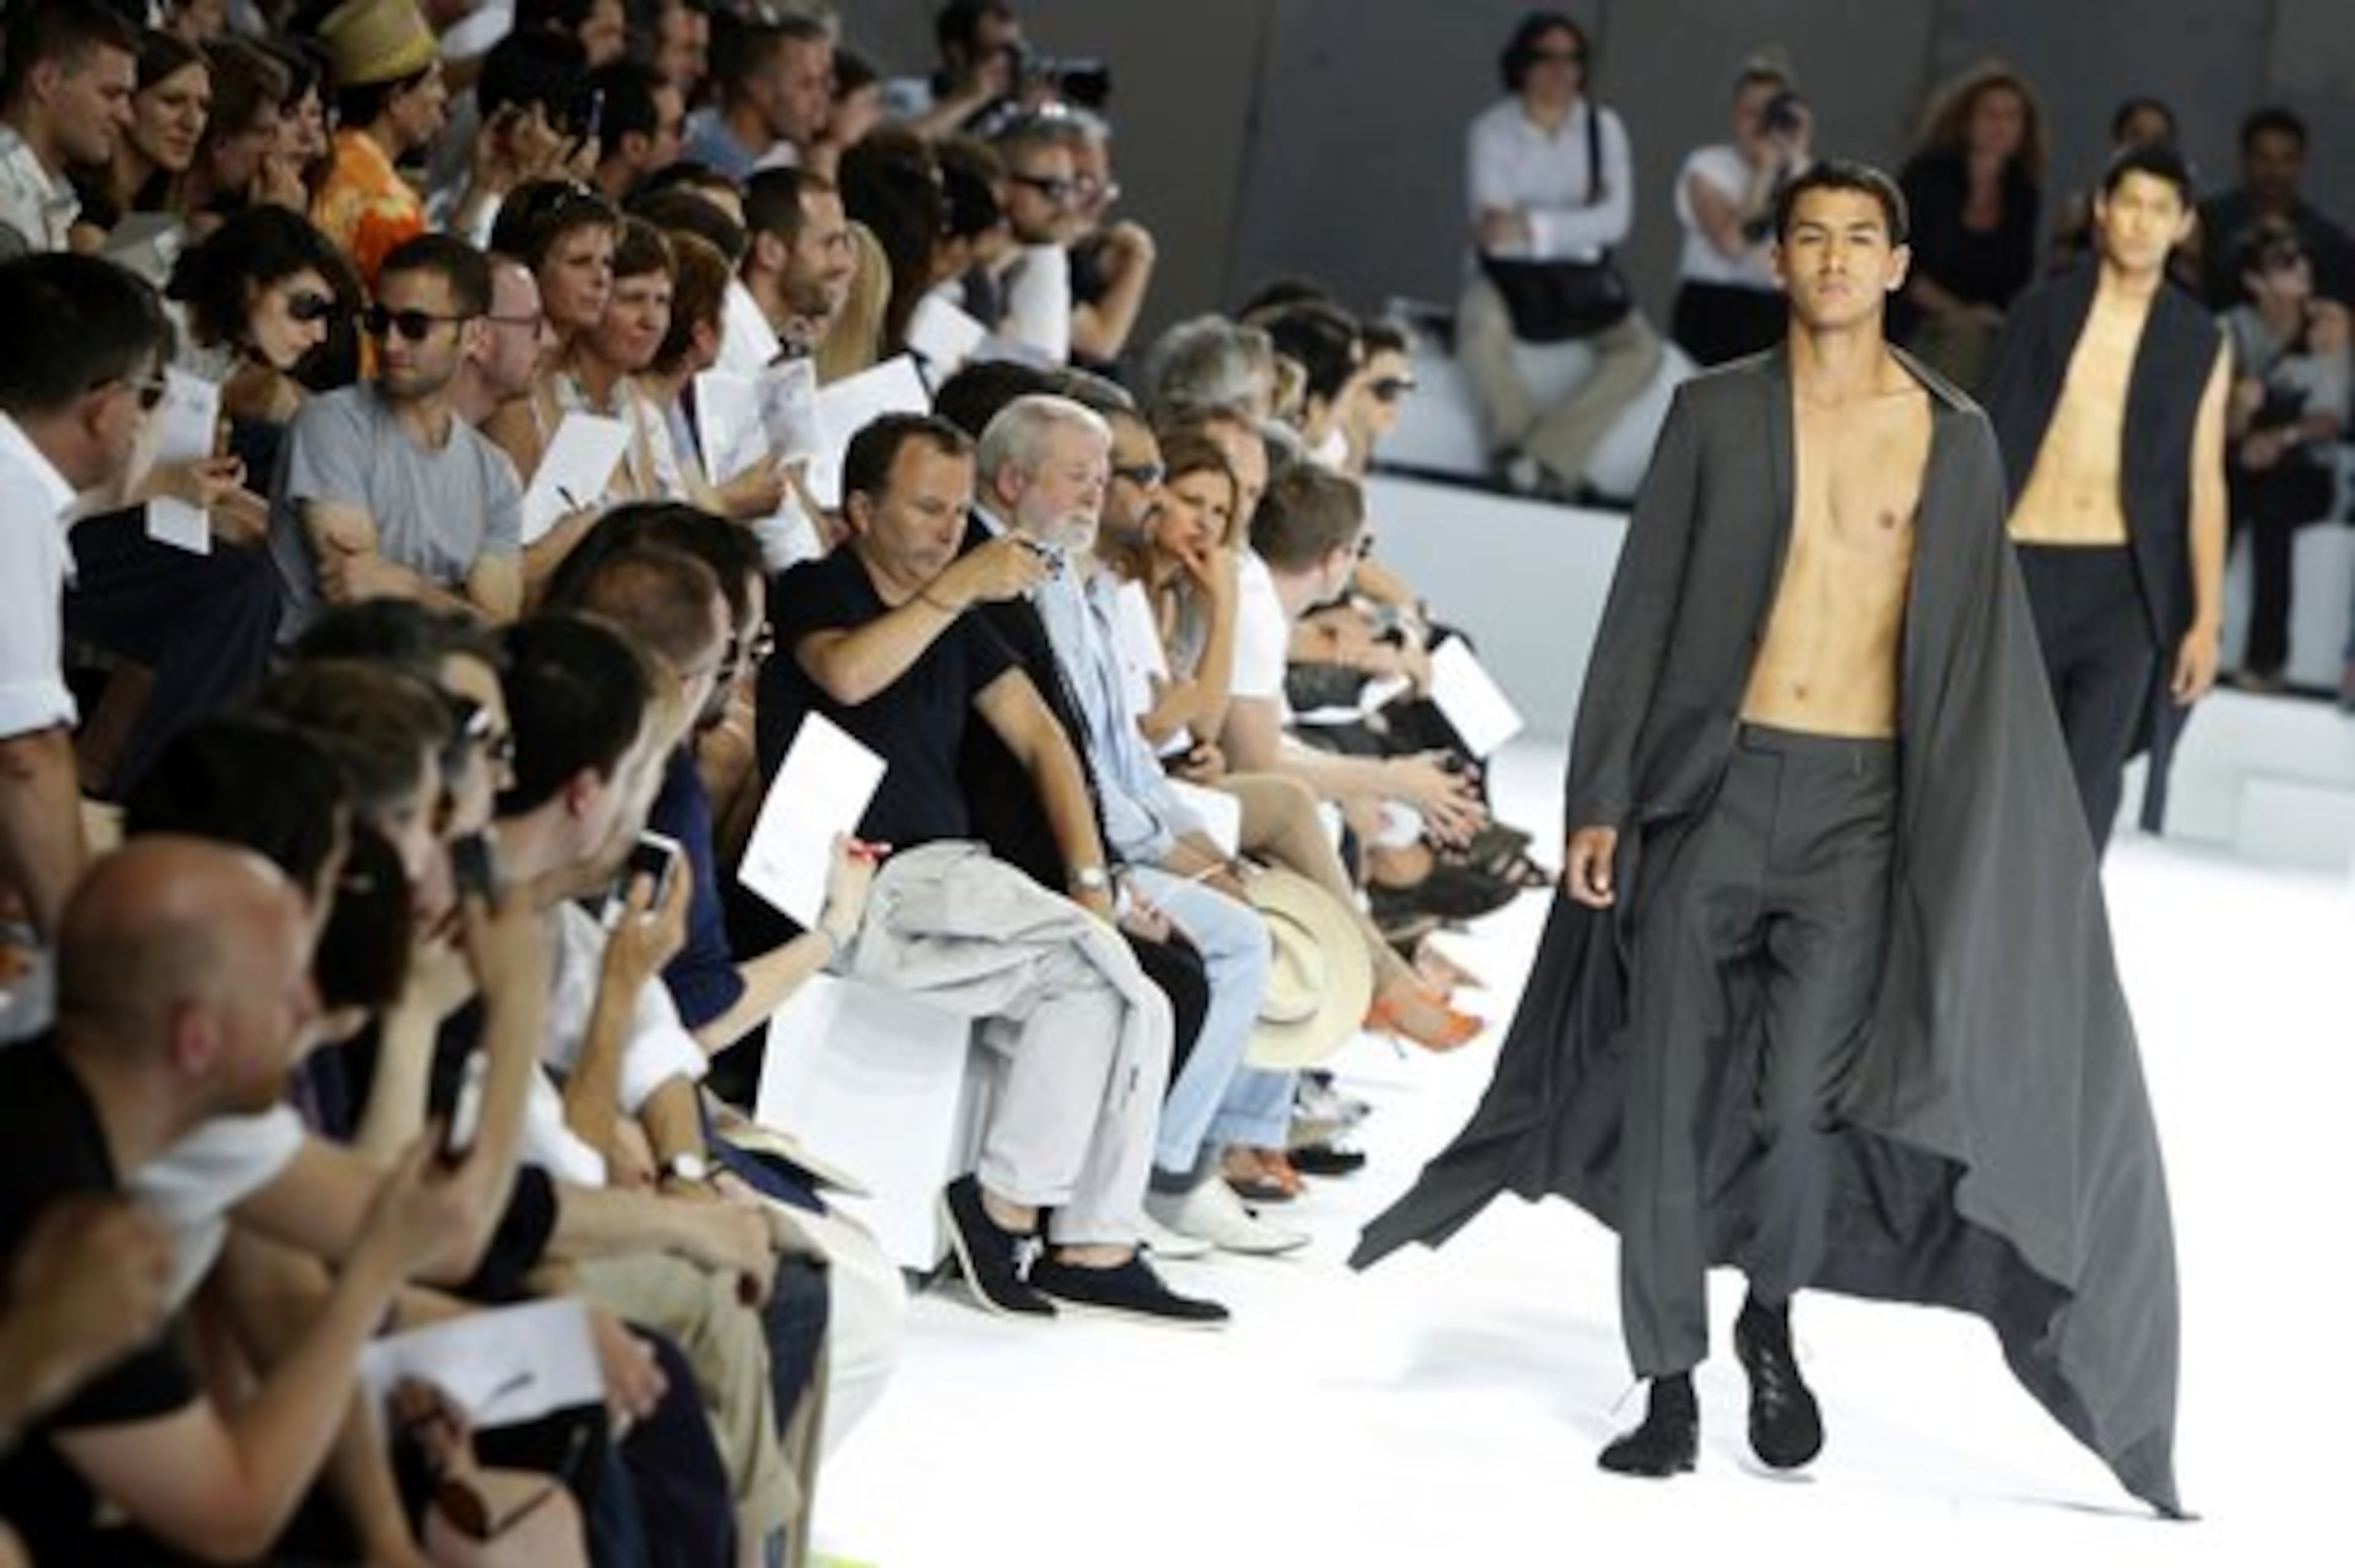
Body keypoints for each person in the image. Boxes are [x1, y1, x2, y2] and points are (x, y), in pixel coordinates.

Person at [1355, 162, 2185, 1520]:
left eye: (1863, 239)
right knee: (1678, 1084)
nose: (1838, 259)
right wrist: (1602, 799)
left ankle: (1772, 1311)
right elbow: (1647, 610)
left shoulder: (1952, 437)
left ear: (1900, 266)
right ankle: (1669, 1378)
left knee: (1801, 1104)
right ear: (1782, 262)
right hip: (1713, 790)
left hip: (1862, 808)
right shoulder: (1713, 415)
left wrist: (1969, 850)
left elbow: (1977, 658)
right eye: (1813, 238)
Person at [1983, 143, 2228, 853]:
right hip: (2022, 564)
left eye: (2161, 209)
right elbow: (1988, 432)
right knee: (1997, 770)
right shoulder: (2043, 310)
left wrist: (2206, 622)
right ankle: (1978, 947)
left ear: (2183, 224)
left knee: (2089, 784)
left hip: (2124, 585)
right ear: (2101, 209)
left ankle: (2060, 958)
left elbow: (2205, 481)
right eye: (2130, 204)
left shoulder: (2198, 340)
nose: (2142, 223)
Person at [0, 252, 171, 946]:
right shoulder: (10, 496)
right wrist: (79, 955)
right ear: (104, 406)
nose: (146, 419)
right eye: (150, 394)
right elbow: (23, 754)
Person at [266, 232, 525, 644]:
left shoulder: (495, 473)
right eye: (378, 322)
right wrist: (453, 601)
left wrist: (408, 587)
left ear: (475, 336)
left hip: (432, 688)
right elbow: (360, 600)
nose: (390, 343)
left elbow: (499, 635)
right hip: (320, 686)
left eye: (414, 326)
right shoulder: (330, 424)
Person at [1457, 10, 1663, 499]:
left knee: (1642, 351)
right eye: (1547, 59)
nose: (1560, 71)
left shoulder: (1603, 128)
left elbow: (1616, 221)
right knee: (1478, 332)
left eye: (1572, 60)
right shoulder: (1492, 130)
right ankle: (1521, 453)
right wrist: (1574, 222)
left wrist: (1529, 223)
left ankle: (1540, 457)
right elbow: (1493, 233)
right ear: (1523, 65)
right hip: (1508, 276)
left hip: (1580, 278)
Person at [2219, 220, 2351, 690]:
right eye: (2284, 261)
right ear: (2255, 280)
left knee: (2273, 510)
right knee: (2217, 504)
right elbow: (2218, 425)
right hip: (2239, 463)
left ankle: (2266, 659)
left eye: (2303, 258)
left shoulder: (2327, 329)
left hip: (2305, 468)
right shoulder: (2231, 329)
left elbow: (2331, 417)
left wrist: (2280, 438)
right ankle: (2192, 637)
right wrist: (2238, 407)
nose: (2302, 268)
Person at [1893, 61, 2046, 393]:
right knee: (1963, 347)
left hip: (1986, 328)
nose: (2000, 126)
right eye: (1990, 115)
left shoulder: (2023, 193)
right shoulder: (1927, 177)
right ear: (1967, 121)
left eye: (2011, 117)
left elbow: (2016, 279)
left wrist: (1982, 318)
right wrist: (1962, 314)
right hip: (1914, 319)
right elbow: (1902, 264)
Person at [1670, 53, 1810, 366]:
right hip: (1711, 308)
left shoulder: (1805, 176)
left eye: (1771, 115)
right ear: (1734, 115)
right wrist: (1764, 173)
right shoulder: (1706, 166)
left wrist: (1795, 161)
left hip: (1775, 313)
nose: (1761, 126)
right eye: (1751, 113)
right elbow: (1732, 244)